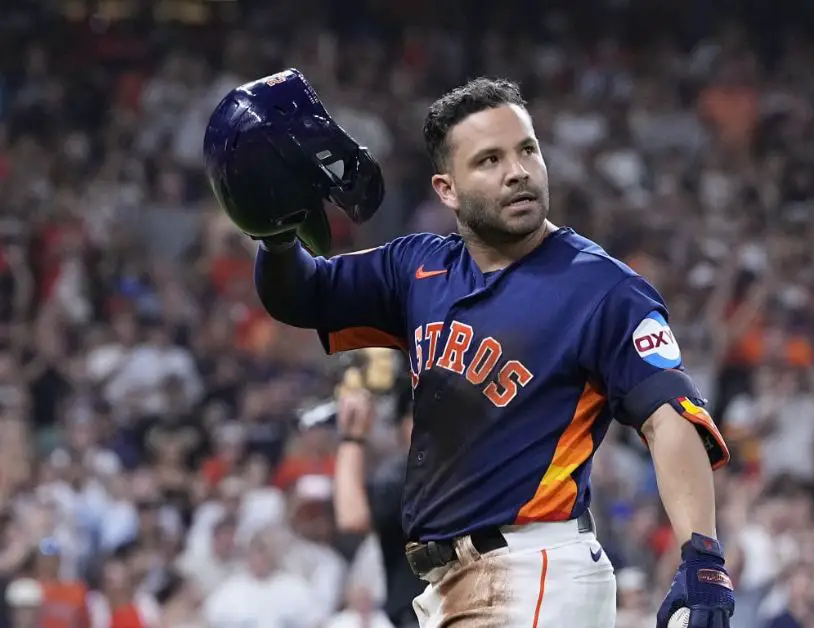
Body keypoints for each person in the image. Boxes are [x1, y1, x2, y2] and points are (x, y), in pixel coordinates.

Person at [203, 70, 736, 627]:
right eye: (489, 160)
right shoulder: (418, 269)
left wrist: (702, 557)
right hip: (451, 585)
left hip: (535, 570)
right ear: (446, 190)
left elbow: (669, 416)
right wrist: (279, 235)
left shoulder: (601, 287)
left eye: (527, 150)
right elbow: (304, 297)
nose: (518, 172)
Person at [332, 385, 426, 628]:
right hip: (422, 616)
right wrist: (352, 438)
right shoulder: (401, 481)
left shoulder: (472, 472)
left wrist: (351, 438)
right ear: (401, 429)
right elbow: (352, 517)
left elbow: (351, 517)